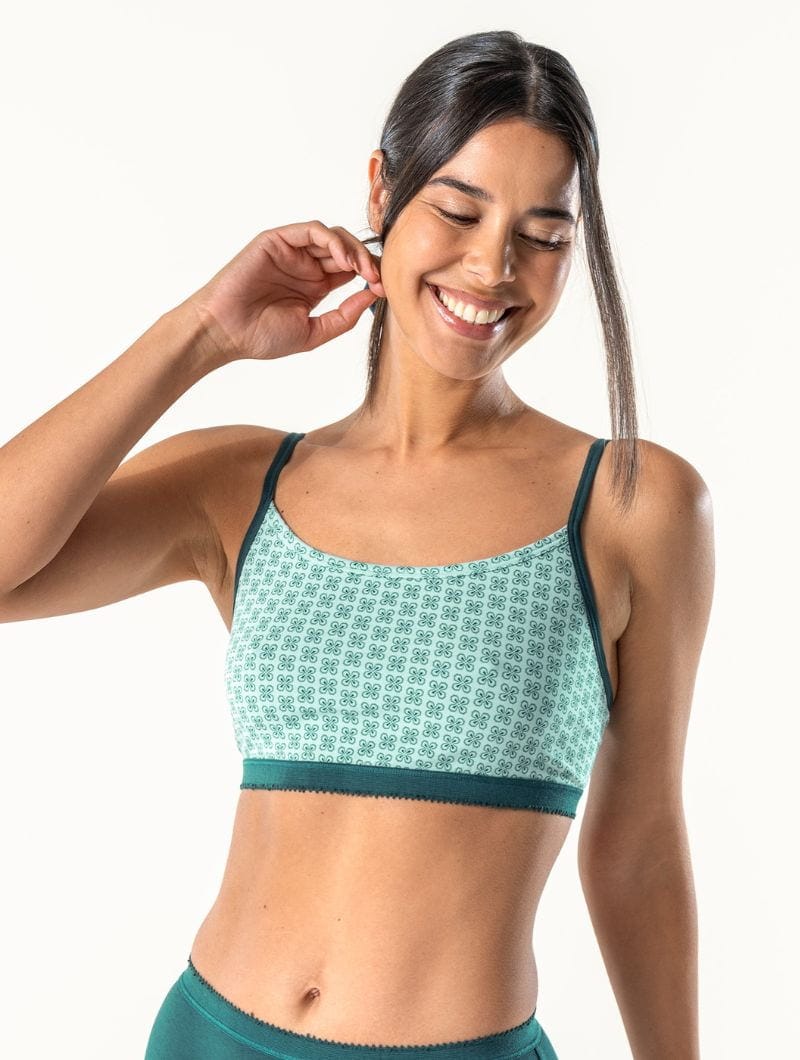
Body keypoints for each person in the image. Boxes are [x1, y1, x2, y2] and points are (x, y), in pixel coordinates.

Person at [0, 29, 714, 1060]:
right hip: (210, 1034)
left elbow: (638, 844)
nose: (492, 266)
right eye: (458, 212)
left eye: (543, 234)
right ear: (382, 190)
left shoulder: (631, 504)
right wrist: (201, 333)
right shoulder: (242, 484)